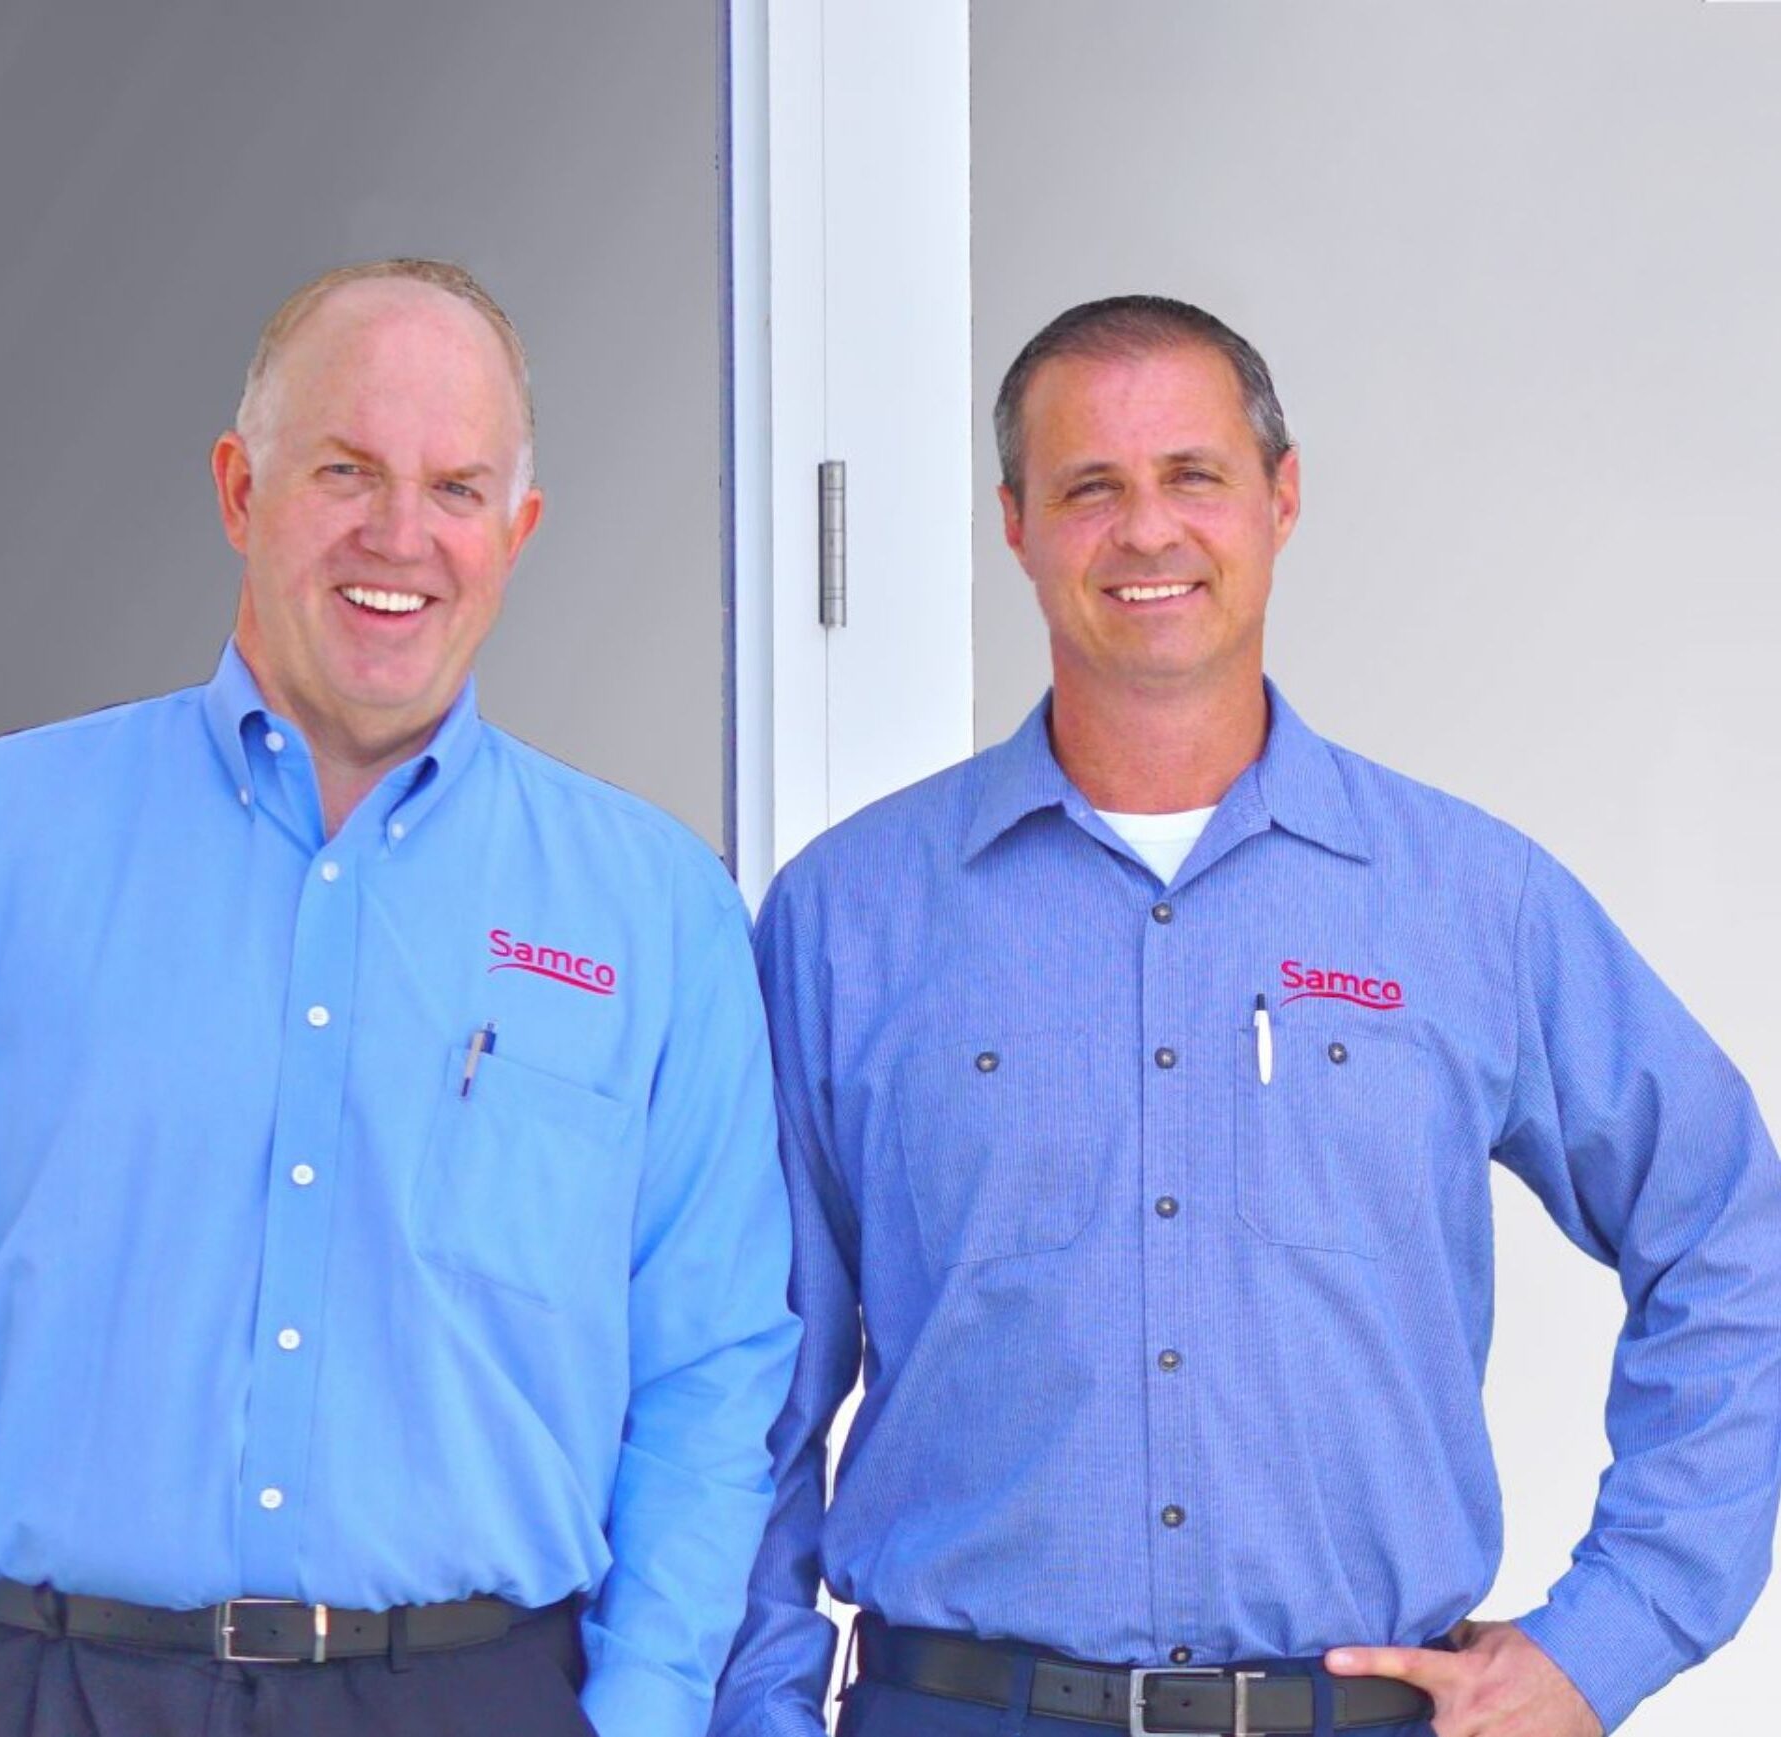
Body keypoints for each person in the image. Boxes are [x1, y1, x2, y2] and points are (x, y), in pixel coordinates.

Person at [709, 295, 1781, 1737]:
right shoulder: (847, 919)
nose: (1145, 532)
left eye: (1191, 477)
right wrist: (759, 1706)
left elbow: (1725, 1222)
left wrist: (1611, 1629)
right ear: (1014, 524)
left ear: (1280, 499)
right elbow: (739, 1377)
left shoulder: (1468, 900)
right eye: (1090, 487)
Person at [0, 258, 799, 1737]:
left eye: (456, 487)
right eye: (345, 470)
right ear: (236, 490)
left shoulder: (654, 909)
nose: (400, 534)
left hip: (476, 1697)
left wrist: (639, 1711)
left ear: (516, 533)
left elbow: (714, 1375)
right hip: (23, 1684)